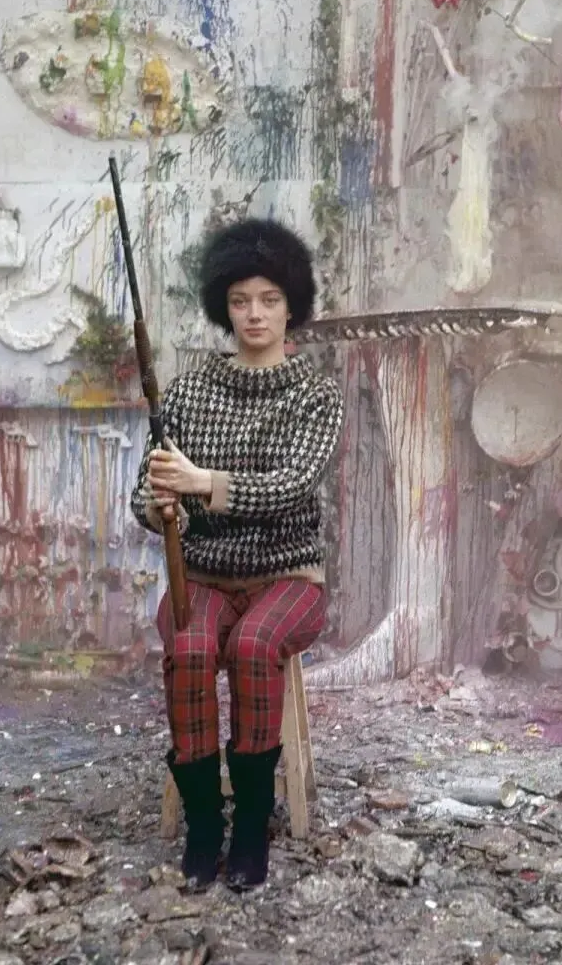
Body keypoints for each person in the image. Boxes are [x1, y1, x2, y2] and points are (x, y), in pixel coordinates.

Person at [131, 217, 344, 892]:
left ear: (291, 308)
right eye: (241, 301)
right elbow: (145, 491)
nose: (255, 314)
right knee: (190, 648)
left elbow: (290, 486)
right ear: (224, 307)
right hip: (202, 575)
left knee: (254, 644)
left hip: (288, 576)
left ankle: (251, 824)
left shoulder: (316, 395)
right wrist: (159, 504)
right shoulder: (189, 392)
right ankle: (204, 825)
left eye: (270, 300)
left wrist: (203, 484)